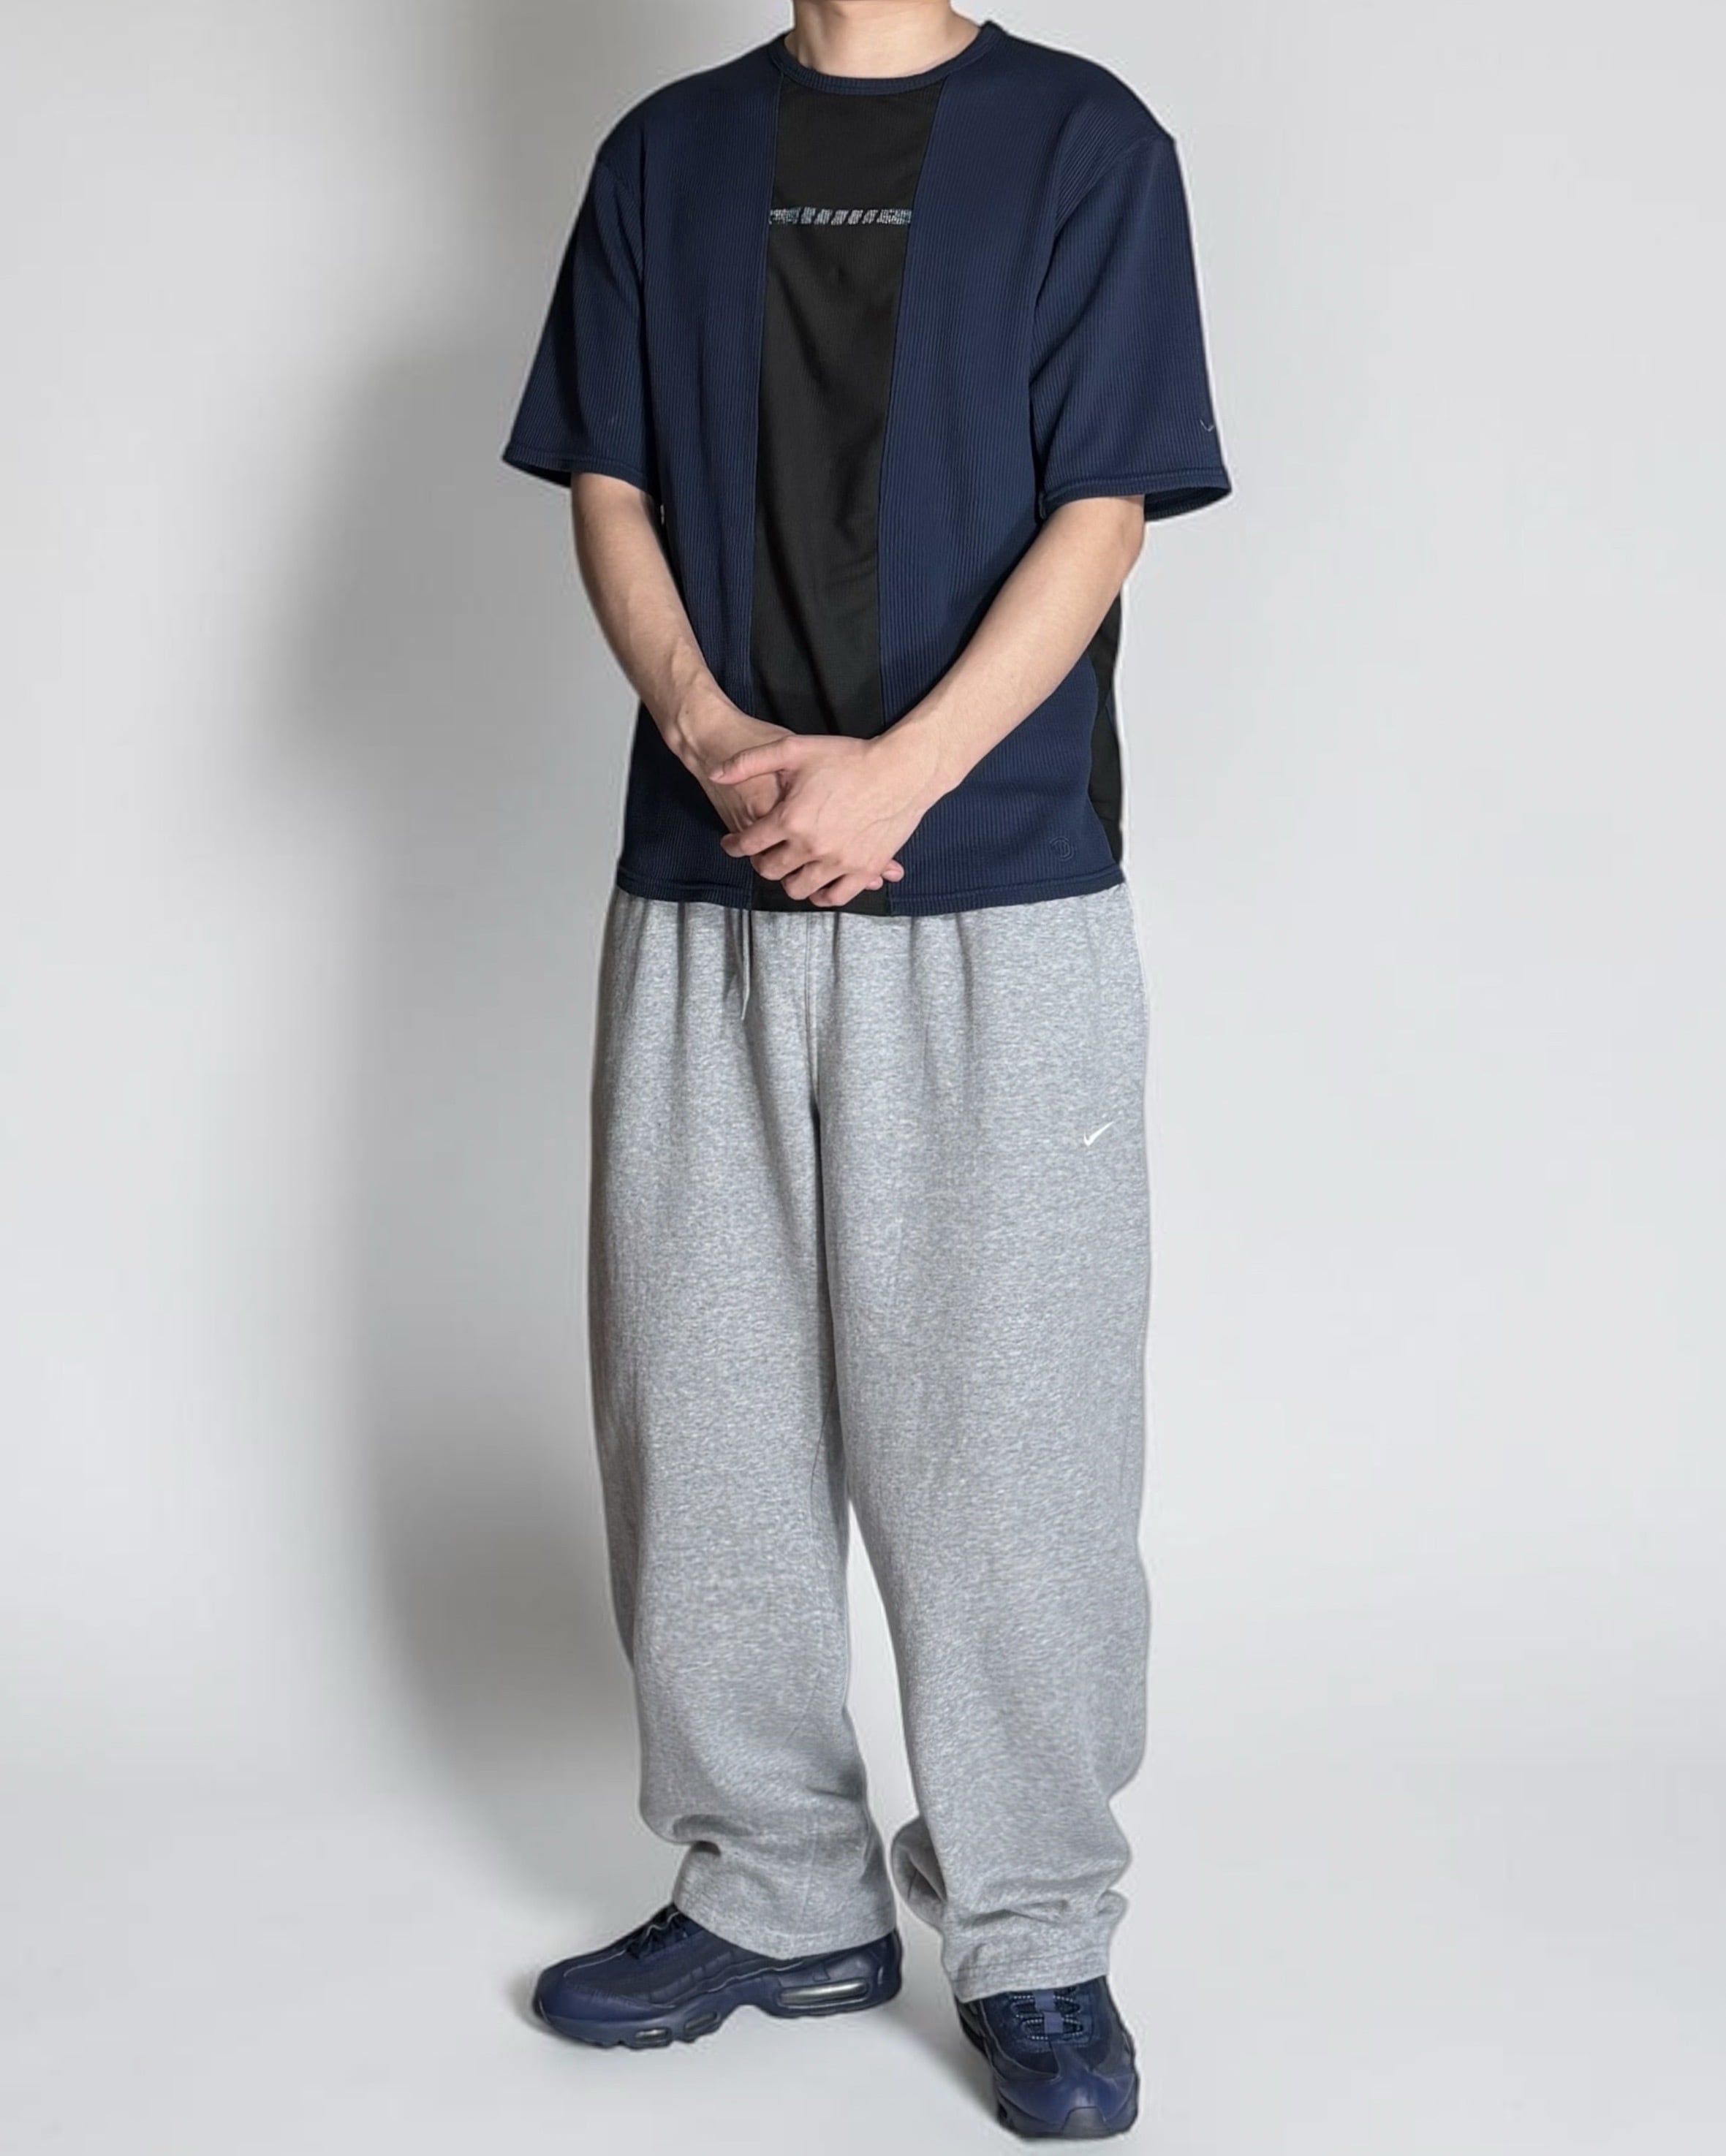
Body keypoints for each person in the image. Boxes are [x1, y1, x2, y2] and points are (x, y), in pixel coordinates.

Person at [500, 2, 1228, 2137]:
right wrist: (715, 737)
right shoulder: (663, 156)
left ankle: (1037, 1930)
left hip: (994, 887)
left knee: (1013, 1450)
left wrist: (897, 775)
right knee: (702, 1423)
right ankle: (775, 1892)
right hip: (705, 872)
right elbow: (611, 482)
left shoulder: (1083, 142)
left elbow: (1105, 508)